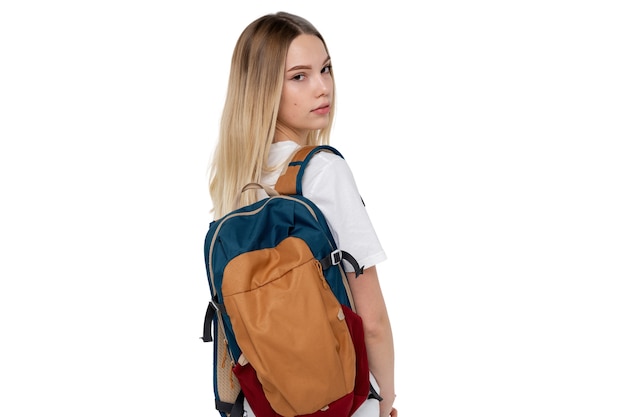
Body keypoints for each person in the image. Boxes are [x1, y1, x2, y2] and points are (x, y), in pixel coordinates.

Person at [208, 11, 397, 417]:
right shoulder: (323, 170)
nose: (322, 87)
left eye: (325, 69)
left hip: (270, 401)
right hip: (346, 395)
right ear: (263, 89)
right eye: (299, 76)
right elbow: (372, 317)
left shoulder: (237, 180)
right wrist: (388, 400)